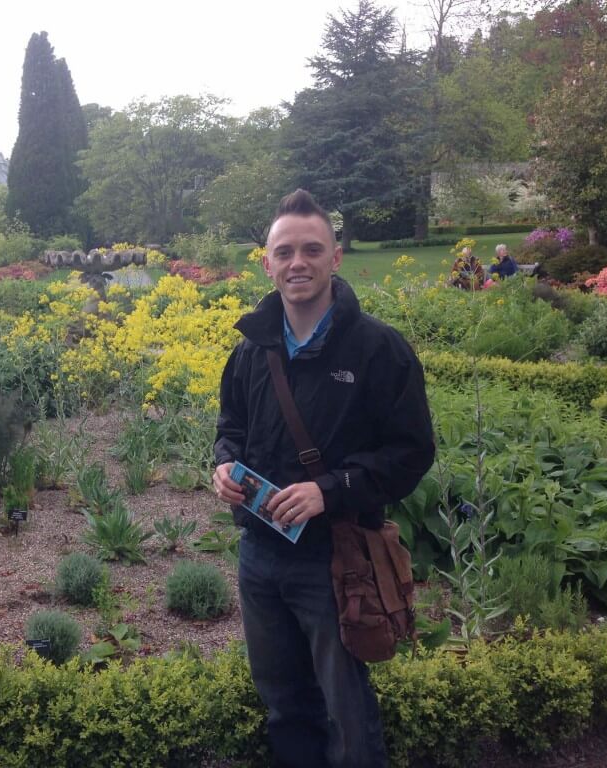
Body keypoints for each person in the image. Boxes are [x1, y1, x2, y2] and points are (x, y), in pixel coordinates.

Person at [212, 189, 435, 768]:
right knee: (283, 703)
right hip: (259, 556)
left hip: (335, 559)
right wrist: (223, 465)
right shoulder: (251, 348)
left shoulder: (378, 350)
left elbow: (411, 453)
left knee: (347, 712)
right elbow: (231, 426)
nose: (298, 263)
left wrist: (329, 490)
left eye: (312, 250)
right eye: (284, 252)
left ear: (336, 257)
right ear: (266, 263)